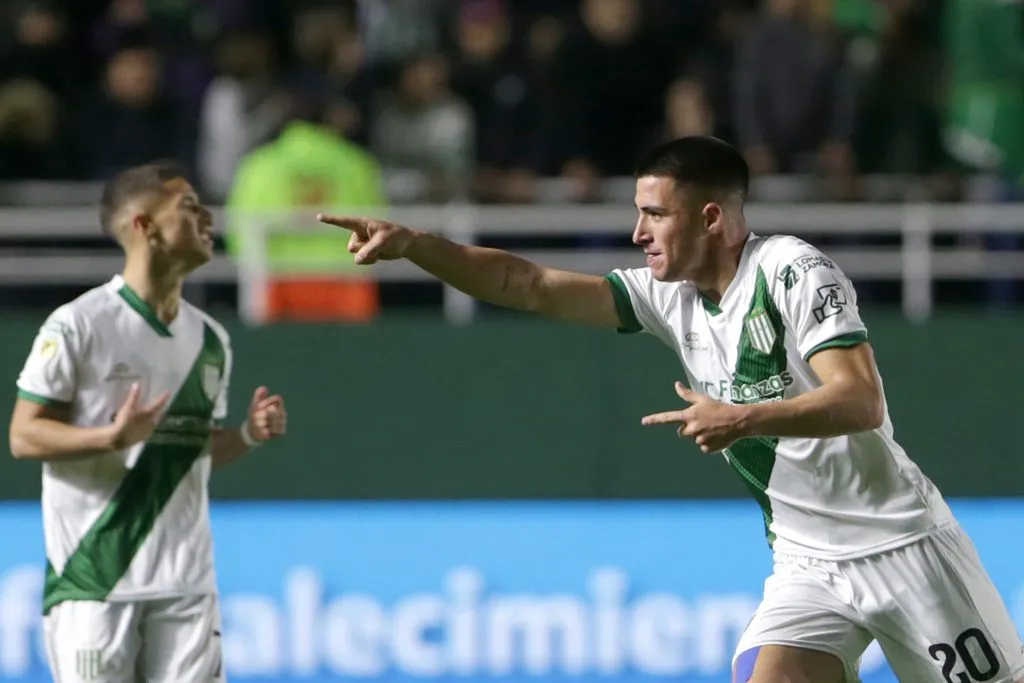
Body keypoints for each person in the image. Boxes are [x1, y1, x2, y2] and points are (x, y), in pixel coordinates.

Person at [316, 136, 1024, 683]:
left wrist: (741, 418)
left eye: (655, 213)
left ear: (710, 216)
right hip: (809, 563)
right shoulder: (669, 297)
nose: (638, 232)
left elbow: (861, 400)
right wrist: (416, 245)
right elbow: (523, 282)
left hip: (904, 547)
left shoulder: (792, 270)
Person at [8, 161, 288, 682]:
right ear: (144, 225)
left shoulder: (210, 340)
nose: (207, 215)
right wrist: (110, 436)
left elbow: (192, 453)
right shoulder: (80, 323)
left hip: (188, 587)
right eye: (188, 205)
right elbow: (23, 436)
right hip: (98, 582)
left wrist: (248, 435)